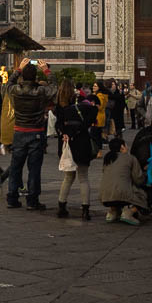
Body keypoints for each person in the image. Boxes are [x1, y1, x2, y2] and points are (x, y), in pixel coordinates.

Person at [5, 60, 56, 211]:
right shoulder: (40, 91)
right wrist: (46, 71)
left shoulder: (15, 90)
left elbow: (7, 84)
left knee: (15, 167)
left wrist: (17, 70)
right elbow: (54, 88)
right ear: (35, 77)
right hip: (36, 131)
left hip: (19, 130)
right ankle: (32, 200)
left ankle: (12, 197)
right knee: (34, 168)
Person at [54, 78, 98, 220]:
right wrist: (82, 126)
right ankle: (85, 210)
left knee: (68, 177)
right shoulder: (81, 105)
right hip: (82, 143)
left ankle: (61, 207)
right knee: (83, 177)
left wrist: (65, 133)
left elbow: (58, 125)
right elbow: (94, 111)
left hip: (67, 145)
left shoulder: (60, 108)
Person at [99, 137, 147, 226]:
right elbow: (138, 178)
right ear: (122, 147)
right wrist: (145, 173)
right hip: (122, 194)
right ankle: (128, 213)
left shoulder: (107, 158)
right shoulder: (130, 158)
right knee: (144, 195)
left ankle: (112, 212)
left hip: (104, 197)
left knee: (115, 189)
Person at [88, 81, 109, 158]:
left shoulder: (100, 96)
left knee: (95, 135)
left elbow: (100, 107)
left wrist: (92, 104)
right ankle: (96, 150)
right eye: (93, 86)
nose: (94, 87)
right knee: (96, 135)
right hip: (97, 117)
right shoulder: (97, 95)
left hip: (98, 117)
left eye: (95, 86)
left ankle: (98, 151)